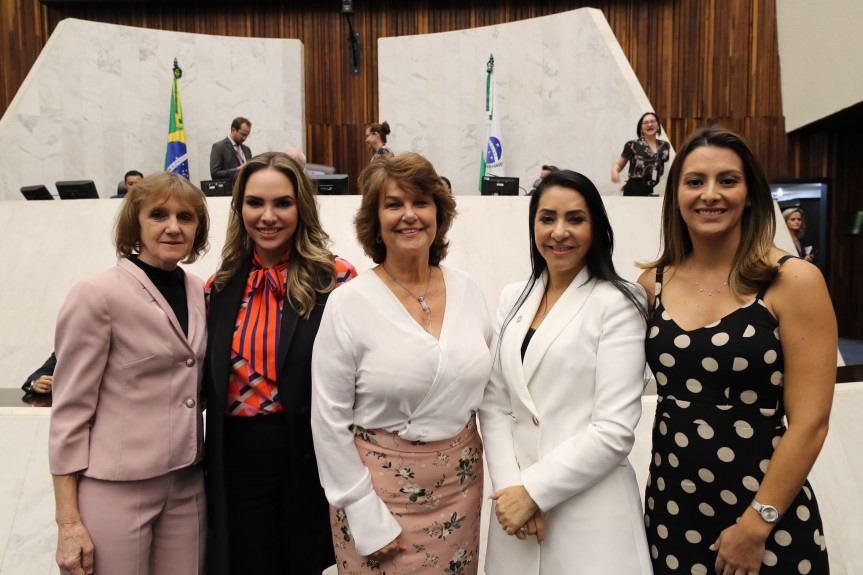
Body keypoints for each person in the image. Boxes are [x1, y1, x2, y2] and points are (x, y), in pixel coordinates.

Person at [637, 126, 835, 574]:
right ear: (676, 196)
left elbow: (811, 423)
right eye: (694, 181)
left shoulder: (792, 281)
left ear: (750, 194)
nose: (710, 194)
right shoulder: (653, 285)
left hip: (767, 514)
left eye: (728, 180)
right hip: (673, 511)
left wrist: (755, 524)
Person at [311, 152, 492, 574]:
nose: (409, 215)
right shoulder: (347, 303)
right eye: (394, 204)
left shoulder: (470, 291)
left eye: (421, 202)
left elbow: (492, 398)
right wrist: (362, 511)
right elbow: (328, 421)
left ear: (439, 213)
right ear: (374, 220)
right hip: (377, 499)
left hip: (459, 496)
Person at [479, 169, 652, 574]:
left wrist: (535, 492)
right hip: (516, 518)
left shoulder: (620, 303)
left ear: (597, 228)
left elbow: (614, 430)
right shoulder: (513, 297)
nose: (559, 232)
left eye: (575, 219)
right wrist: (511, 492)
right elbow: (494, 402)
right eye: (547, 218)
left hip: (590, 513)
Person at [203, 151, 357, 575]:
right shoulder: (219, 285)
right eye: (255, 203)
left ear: (302, 207)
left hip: (309, 457)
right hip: (235, 460)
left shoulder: (339, 280)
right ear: (240, 208)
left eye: (282, 203)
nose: (267, 216)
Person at [49, 172, 210, 574]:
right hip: (116, 489)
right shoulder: (96, 293)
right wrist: (68, 523)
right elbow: (70, 414)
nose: (173, 226)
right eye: (158, 214)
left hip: (188, 483)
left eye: (186, 217)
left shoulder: (200, 290)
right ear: (135, 224)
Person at [612, 112, 671, 196]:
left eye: (653, 121)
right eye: (645, 123)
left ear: (658, 126)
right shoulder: (632, 145)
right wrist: (615, 171)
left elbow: (660, 167)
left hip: (650, 188)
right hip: (634, 188)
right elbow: (619, 165)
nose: (649, 124)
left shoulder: (664, 146)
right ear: (641, 128)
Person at [210, 117, 252, 187]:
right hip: (229, 193)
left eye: (247, 135)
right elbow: (215, 174)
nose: (244, 138)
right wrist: (238, 169)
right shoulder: (219, 147)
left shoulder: (246, 149)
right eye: (243, 134)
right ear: (233, 130)